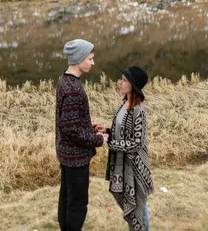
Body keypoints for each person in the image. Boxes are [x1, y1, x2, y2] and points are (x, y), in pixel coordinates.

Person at [56, 39, 109, 231]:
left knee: (66, 198)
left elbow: (71, 122)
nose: (93, 62)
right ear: (79, 59)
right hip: (75, 158)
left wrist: (89, 126)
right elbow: (70, 128)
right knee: (78, 203)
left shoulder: (65, 81)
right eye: (90, 58)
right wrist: (98, 140)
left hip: (66, 154)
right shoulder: (73, 89)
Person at [96, 65, 154, 231]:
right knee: (136, 209)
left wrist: (110, 142)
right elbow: (121, 132)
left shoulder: (139, 110)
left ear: (133, 85)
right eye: (121, 79)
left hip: (135, 167)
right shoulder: (123, 106)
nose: (119, 82)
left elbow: (137, 142)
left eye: (124, 80)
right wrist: (106, 131)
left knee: (138, 208)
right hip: (123, 163)